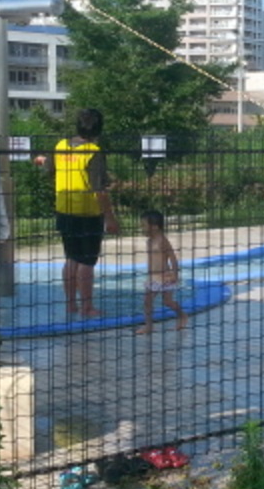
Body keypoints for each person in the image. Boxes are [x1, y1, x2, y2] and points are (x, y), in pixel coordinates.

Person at [45, 108, 120, 316]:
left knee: (71, 258)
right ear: (99, 129)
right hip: (87, 213)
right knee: (87, 261)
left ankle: (71, 304)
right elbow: (100, 191)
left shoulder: (60, 146)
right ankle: (87, 306)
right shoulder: (93, 152)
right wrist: (110, 218)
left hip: (64, 209)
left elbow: (49, 171)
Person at [136, 209, 188, 335]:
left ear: (154, 227)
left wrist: (175, 274)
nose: (141, 228)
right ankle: (149, 326)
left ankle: (182, 316)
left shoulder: (162, 240)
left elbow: (173, 258)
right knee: (147, 301)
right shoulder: (149, 241)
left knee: (167, 302)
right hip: (153, 276)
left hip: (165, 276)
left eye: (144, 225)